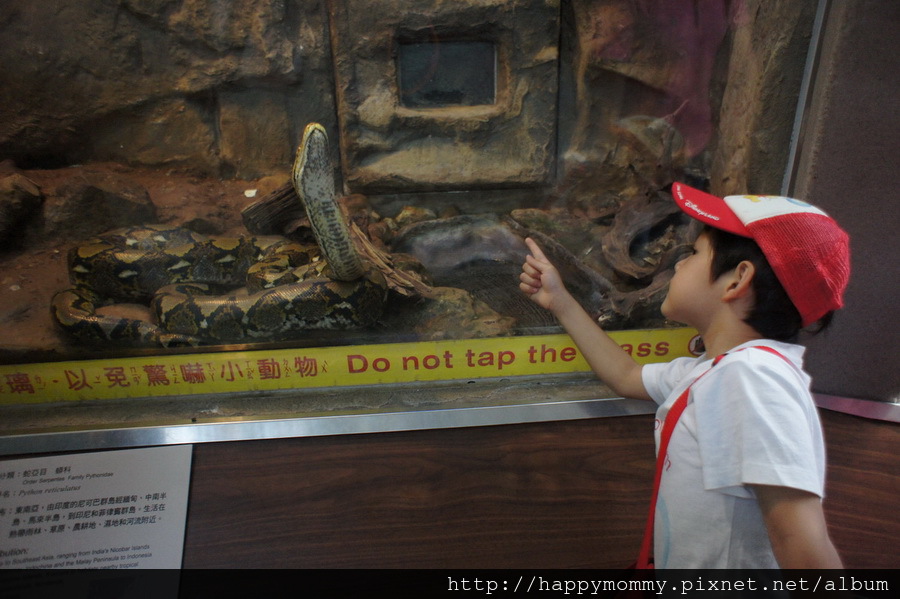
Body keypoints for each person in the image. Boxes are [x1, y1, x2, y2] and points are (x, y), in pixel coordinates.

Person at [519, 182, 849, 569]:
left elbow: (802, 543)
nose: (677, 265)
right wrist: (561, 302)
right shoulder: (714, 370)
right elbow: (627, 375)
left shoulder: (753, 378)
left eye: (694, 254)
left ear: (737, 280)